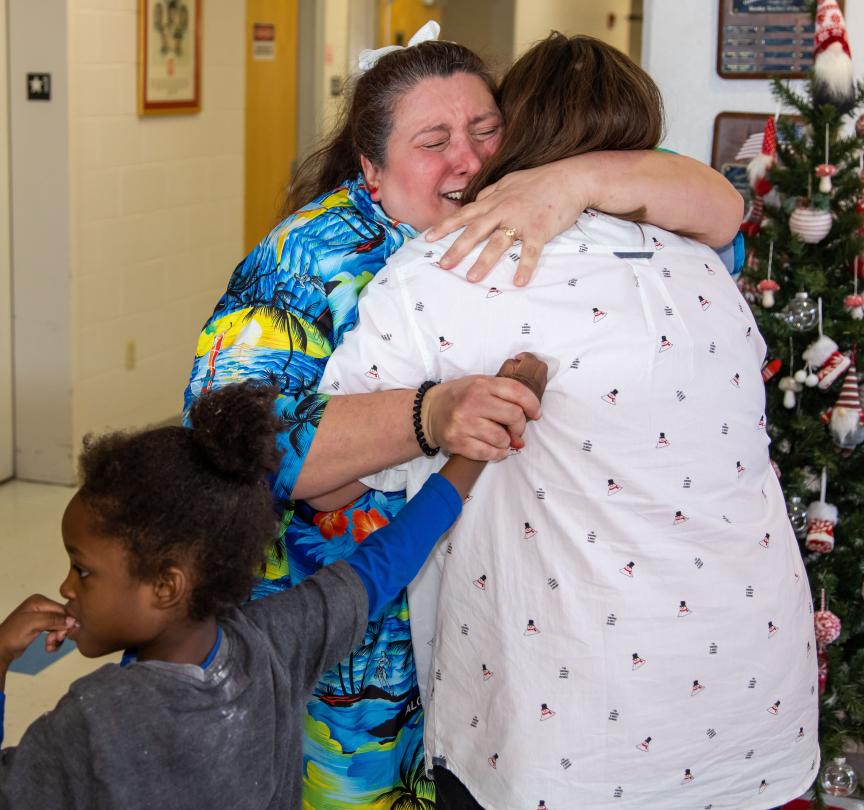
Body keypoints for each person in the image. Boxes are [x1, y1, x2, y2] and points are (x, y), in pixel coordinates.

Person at [184, 23, 745, 806]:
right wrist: (428, 415)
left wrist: (574, 181)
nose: (471, 160)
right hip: (340, 641)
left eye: (487, 131)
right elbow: (236, 446)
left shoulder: (540, 222)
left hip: (474, 634)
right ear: (370, 170)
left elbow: (723, 214)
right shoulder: (309, 260)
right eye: (434, 140)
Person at [320, 33, 817, 810]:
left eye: (483, 133)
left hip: (570, 735)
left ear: (517, 138)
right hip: (752, 702)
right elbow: (724, 208)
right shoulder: (707, 265)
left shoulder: (446, 268)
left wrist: (428, 417)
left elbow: (320, 484)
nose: (468, 158)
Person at [0, 360, 545, 810]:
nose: (68, 588)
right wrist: (480, 442)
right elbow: (385, 562)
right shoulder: (275, 642)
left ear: (167, 586)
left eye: (83, 569)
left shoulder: (97, 717)